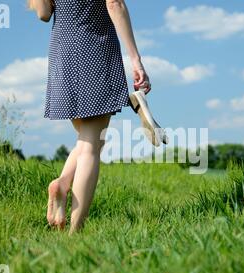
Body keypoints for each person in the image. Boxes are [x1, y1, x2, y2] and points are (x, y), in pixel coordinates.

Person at [28, 0, 151, 234]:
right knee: (90, 148)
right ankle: (75, 233)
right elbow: (114, 4)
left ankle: (62, 184)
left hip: (62, 54)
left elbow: (43, 14)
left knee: (89, 141)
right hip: (93, 52)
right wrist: (136, 60)